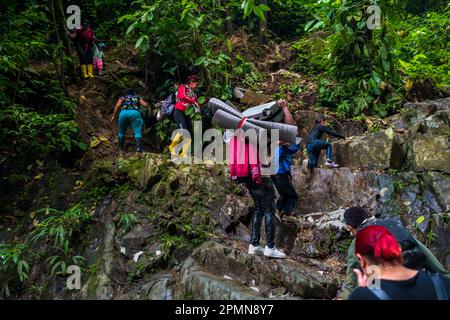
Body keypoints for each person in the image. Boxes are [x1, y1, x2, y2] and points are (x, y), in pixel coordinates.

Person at [342, 206, 449, 299]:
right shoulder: (391, 225)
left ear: (350, 227)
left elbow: (351, 279)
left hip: (386, 285)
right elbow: (421, 247)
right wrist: (443, 274)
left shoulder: (359, 241)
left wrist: (359, 294)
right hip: (417, 274)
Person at [228, 128, 286, 259]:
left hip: (246, 175)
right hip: (258, 175)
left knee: (259, 208)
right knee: (269, 210)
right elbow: (261, 150)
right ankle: (270, 247)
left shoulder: (235, 136)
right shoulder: (250, 135)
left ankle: (254, 245)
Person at [271, 100, 300, 217]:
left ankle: (277, 212)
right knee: (293, 196)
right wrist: (285, 107)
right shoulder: (282, 146)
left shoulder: (275, 145)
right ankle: (287, 215)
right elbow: (290, 127)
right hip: (280, 174)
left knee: (284, 196)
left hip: (275, 174)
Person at [168, 75, 200, 158]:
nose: (197, 86)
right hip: (179, 111)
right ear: (191, 83)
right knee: (183, 130)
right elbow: (182, 96)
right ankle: (172, 147)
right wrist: (193, 101)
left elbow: (196, 103)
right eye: (195, 84)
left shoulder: (193, 93)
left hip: (187, 113)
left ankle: (184, 153)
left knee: (189, 133)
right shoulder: (183, 87)